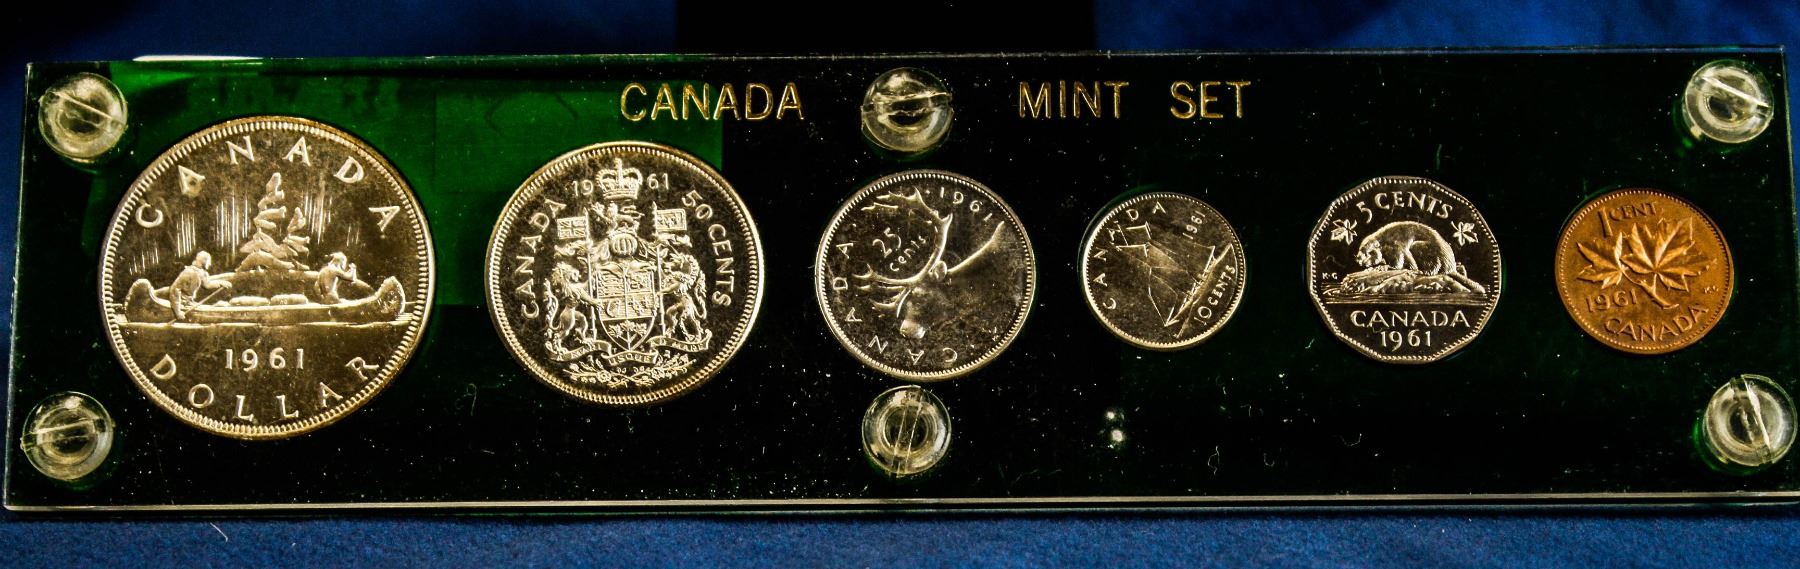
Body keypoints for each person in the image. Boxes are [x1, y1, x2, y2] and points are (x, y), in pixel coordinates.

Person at [169, 251, 231, 321]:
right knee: (215, 308)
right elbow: (175, 290)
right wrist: (177, 312)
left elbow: (207, 284)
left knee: (219, 305)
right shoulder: (189, 272)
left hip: (190, 302)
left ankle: (215, 306)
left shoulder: (200, 271)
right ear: (203, 261)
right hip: (183, 304)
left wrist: (221, 283)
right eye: (209, 261)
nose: (210, 264)